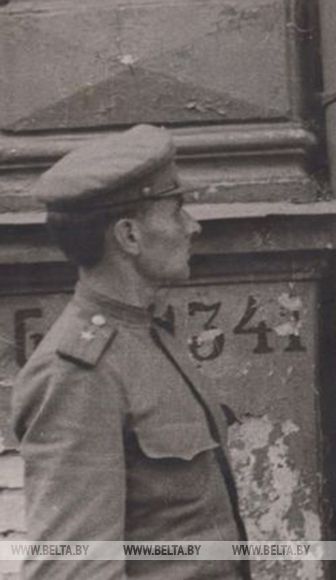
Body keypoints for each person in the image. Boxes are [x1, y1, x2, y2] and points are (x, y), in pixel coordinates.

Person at [12, 125, 250, 579]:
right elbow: (72, 571)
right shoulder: (79, 373)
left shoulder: (147, 336)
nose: (192, 226)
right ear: (129, 236)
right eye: (178, 210)